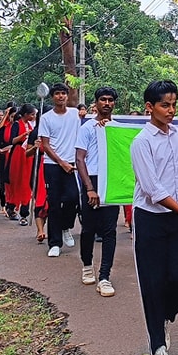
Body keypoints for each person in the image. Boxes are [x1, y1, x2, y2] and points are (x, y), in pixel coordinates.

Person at [130, 80, 178, 355]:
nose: (171, 111)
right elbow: (153, 190)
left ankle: (165, 317)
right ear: (150, 107)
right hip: (151, 220)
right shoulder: (141, 142)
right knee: (153, 283)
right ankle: (158, 347)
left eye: (174, 105)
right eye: (164, 105)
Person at [76, 86, 121, 297]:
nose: (107, 103)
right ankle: (87, 265)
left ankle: (104, 276)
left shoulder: (118, 129)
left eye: (110, 100)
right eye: (103, 99)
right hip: (92, 180)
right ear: (96, 103)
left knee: (110, 231)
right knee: (88, 230)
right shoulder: (87, 128)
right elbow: (79, 159)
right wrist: (89, 188)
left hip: (111, 181)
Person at [37, 83, 81, 258]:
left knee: (72, 198)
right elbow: (45, 145)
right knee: (54, 203)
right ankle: (54, 243)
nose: (61, 96)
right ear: (52, 97)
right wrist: (61, 162)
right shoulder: (47, 118)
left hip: (71, 163)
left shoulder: (76, 114)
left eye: (63, 93)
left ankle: (65, 226)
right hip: (52, 164)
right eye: (57, 94)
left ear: (67, 96)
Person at [4, 104, 37, 224]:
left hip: (27, 154)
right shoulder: (17, 124)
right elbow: (12, 140)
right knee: (16, 181)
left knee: (26, 182)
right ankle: (11, 206)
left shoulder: (30, 125)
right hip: (18, 154)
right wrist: (24, 135)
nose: (33, 116)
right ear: (26, 114)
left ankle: (24, 211)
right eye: (32, 114)